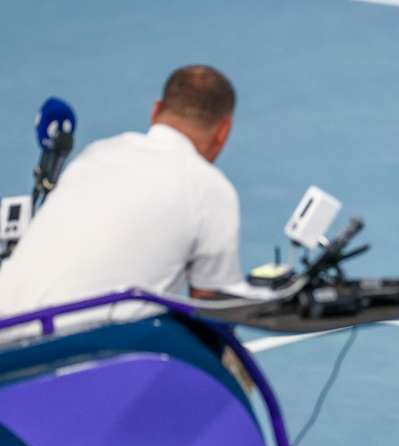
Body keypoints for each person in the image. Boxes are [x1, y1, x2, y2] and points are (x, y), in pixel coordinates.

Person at [0, 65, 247, 329]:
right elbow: (212, 313)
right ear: (223, 131)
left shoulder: (94, 155)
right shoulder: (211, 190)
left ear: (156, 110)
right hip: (70, 349)